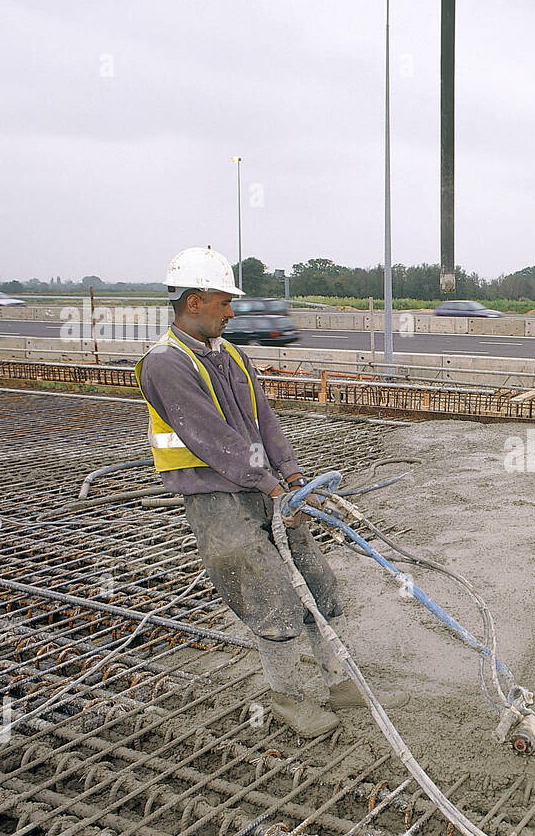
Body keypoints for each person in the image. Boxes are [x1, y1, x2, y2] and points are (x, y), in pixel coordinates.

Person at [135, 245, 407, 738]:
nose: (231, 311)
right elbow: (214, 441)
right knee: (271, 593)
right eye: (223, 302)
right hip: (215, 497)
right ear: (193, 302)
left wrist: (294, 477)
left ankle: (337, 681)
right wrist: (274, 485)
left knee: (317, 580)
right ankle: (287, 697)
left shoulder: (232, 355)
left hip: (267, 487)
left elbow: (265, 422)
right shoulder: (165, 364)